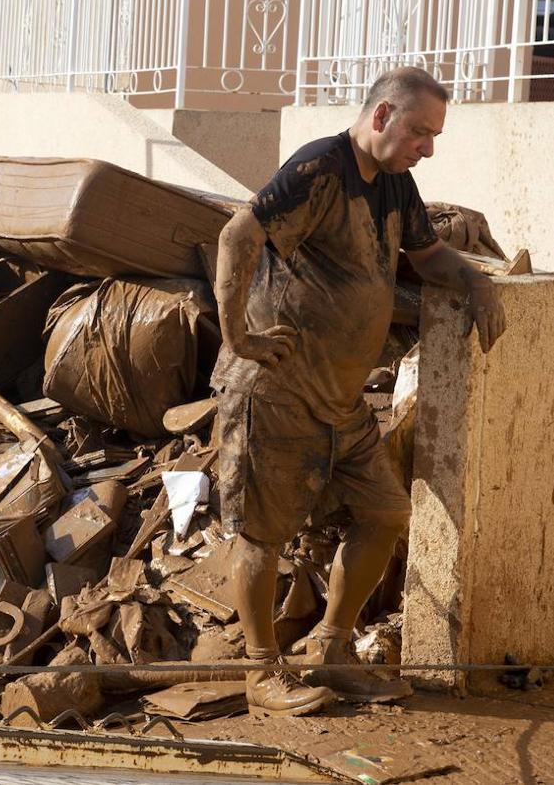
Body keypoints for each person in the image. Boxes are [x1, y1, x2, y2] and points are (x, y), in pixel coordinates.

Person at [211, 67, 507, 717]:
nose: (428, 146)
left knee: (385, 513)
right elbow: (239, 232)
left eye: (433, 135)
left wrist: (479, 282)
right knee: (262, 536)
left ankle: (331, 652)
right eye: (420, 131)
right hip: (277, 392)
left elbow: (427, 258)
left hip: (340, 402)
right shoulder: (320, 167)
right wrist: (238, 337)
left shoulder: (396, 183)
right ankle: (263, 675)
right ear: (381, 116)